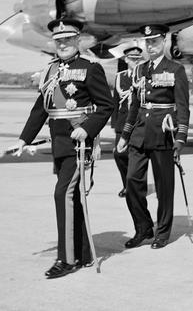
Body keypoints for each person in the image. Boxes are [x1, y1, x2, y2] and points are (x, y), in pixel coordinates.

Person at [6, 19, 113, 278]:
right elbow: (41, 109)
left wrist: (87, 129)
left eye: (67, 39)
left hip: (79, 145)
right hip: (60, 144)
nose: (63, 44)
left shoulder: (90, 68)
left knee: (62, 194)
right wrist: (23, 140)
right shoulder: (50, 71)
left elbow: (106, 106)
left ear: (78, 40)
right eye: (58, 40)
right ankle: (83, 252)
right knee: (73, 198)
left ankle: (67, 259)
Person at [116, 24, 190, 249]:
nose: (151, 46)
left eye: (155, 41)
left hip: (163, 133)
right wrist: (125, 135)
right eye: (148, 42)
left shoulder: (175, 69)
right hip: (139, 132)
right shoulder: (139, 70)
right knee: (132, 181)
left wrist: (180, 138)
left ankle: (163, 232)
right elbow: (135, 104)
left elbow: (183, 106)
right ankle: (143, 226)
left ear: (164, 41)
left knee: (164, 186)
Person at [112, 41, 143, 198]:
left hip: (139, 122)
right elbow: (115, 102)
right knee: (119, 154)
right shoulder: (119, 77)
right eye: (132, 59)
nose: (135, 61)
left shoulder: (143, 76)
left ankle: (135, 187)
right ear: (126, 59)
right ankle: (126, 184)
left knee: (137, 156)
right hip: (122, 122)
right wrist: (115, 124)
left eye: (138, 59)